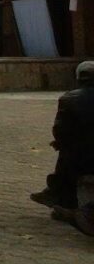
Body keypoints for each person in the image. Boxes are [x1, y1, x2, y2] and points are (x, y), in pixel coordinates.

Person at [31, 61, 94, 214]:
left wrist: (60, 142)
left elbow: (60, 130)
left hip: (83, 157)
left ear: (78, 78)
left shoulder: (69, 99)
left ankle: (62, 197)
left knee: (68, 151)